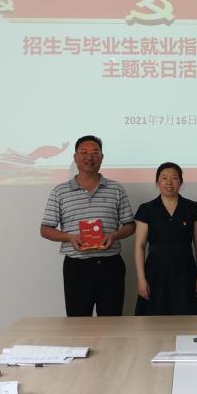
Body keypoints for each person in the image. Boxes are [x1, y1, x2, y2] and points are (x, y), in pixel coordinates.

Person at [39, 135, 134, 316]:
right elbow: (45, 229)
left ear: (102, 157)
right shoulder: (60, 191)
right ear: (75, 157)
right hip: (77, 267)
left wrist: (114, 235)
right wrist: (69, 237)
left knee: (112, 321)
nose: (89, 157)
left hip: (110, 265)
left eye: (95, 152)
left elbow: (130, 226)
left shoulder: (116, 189)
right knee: (78, 323)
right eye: (84, 152)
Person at [133, 162, 197, 316]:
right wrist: (141, 279)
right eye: (164, 178)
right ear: (157, 181)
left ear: (181, 182)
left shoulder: (192, 207)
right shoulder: (147, 209)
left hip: (186, 271)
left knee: (187, 318)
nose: (169, 182)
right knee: (153, 319)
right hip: (155, 271)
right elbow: (140, 246)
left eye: (174, 178)